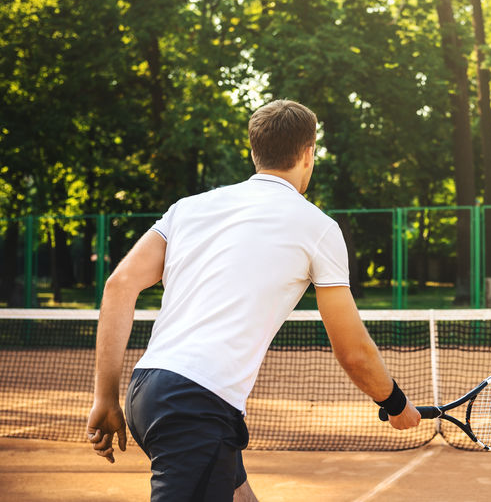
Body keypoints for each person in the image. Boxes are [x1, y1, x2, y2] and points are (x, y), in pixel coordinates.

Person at [86, 99, 421, 502]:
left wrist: (105, 396)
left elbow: (119, 285)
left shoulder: (188, 209)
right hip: (197, 405)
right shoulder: (319, 227)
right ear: (309, 153)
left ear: (253, 152)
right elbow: (353, 351)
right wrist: (395, 402)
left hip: (149, 391)